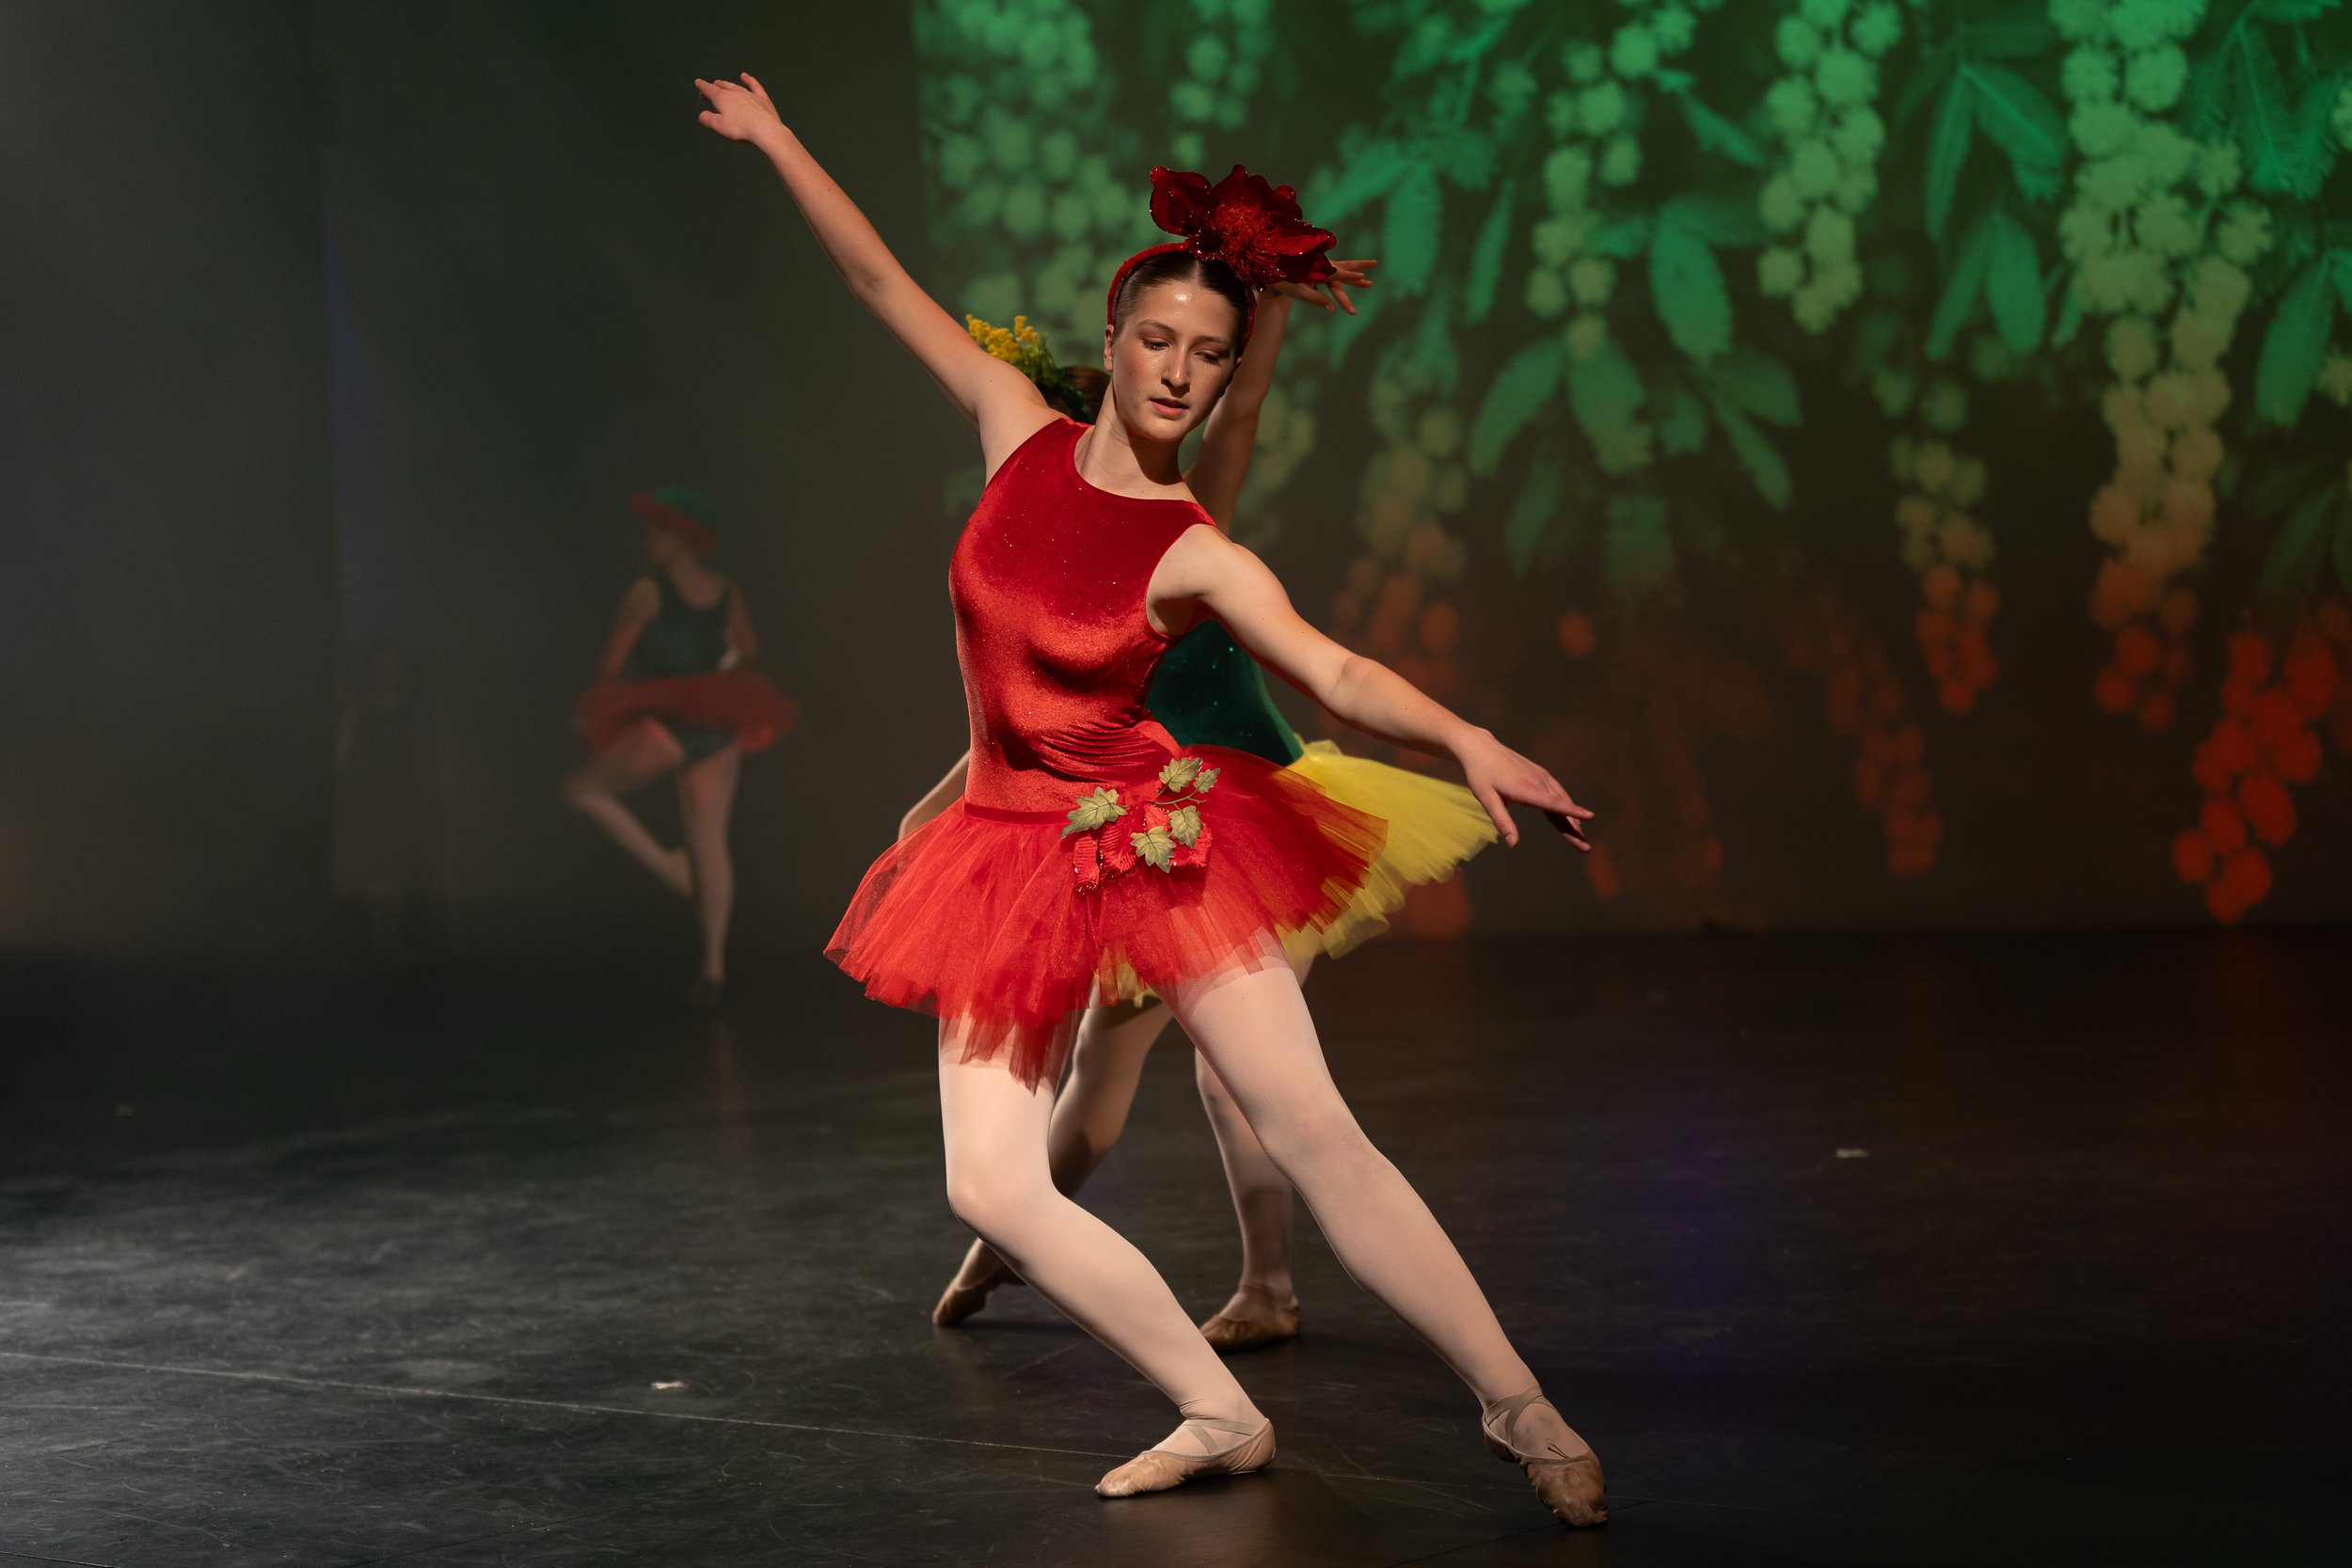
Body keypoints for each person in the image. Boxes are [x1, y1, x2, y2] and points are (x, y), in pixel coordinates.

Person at [696, 72, 1604, 1526]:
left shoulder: (1193, 550)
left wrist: (1472, 736)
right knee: (992, 1187)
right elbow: (877, 277)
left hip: (1151, 841)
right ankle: (1217, 1405)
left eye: (1210, 356)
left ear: (1232, 377)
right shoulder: (1014, 428)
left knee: (1316, 1131)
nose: (1180, 370)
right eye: (1159, 340)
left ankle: (1523, 1403)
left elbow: (1338, 667)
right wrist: (783, 138)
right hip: (1001, 848)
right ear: (1112, 340)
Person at [910, 293, 1504, 1356]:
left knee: (1241, 1081)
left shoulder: (1184, 527)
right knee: (1097, 1070)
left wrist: (1265, 305)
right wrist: (931, 815)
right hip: (1124, 830)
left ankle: (1266, 1281)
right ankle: (1000, 1237)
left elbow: (1240, 412)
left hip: (1241, 823)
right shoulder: (1044, 557)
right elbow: (1018, 726)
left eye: (1198, 358)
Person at [564, 486, 796, 1006]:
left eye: (653, 532)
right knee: (710, 840)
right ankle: (712, 964)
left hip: (669, 720)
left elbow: (611, 663)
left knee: (583, 790)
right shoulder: (724, 590)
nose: (645, 541)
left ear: (679, 536)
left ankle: (667, 867)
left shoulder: (648, 591)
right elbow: (749, 649)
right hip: (714, 724)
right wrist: (715, 678)